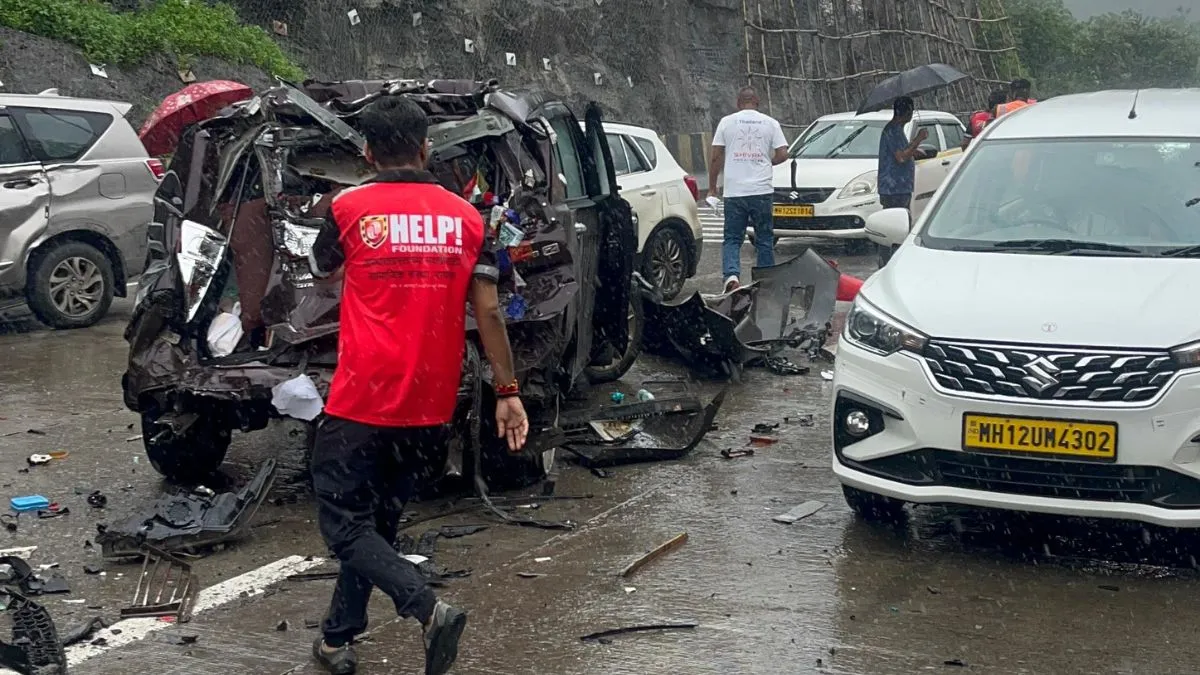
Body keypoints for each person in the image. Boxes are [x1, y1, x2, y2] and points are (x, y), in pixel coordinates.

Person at [307, 95, 528, 675]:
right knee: (377, 524)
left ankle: (427, 608)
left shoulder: (346, 207)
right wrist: (508, 392)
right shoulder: (468, 219)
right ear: (426, 149)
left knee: (343, 525)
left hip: (363, 398)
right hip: (430, 406)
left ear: (367, 152)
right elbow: (489, 311)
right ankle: (336, 639)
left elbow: (322, 269)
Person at [707, 86, 789, 293]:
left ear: (738, 103)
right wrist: (768, 162)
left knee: (733, 238)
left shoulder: (726, 122)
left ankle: (731, 276)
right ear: (757, 102)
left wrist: (712, 188)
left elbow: (716, 157)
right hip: (762, 191)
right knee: (764, 239)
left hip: (735, 192)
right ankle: (765, 281)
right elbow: (783, 154)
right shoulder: (771, 123)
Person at [877, 97, 928, 213]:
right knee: (898, 219)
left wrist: (914, 151)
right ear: (906, 111)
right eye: (910, 110)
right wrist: (918, 138)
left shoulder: (898, 130)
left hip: (901, 187)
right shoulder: (892, 130)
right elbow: (901, 157)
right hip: (894, 188)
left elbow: (902, 151)